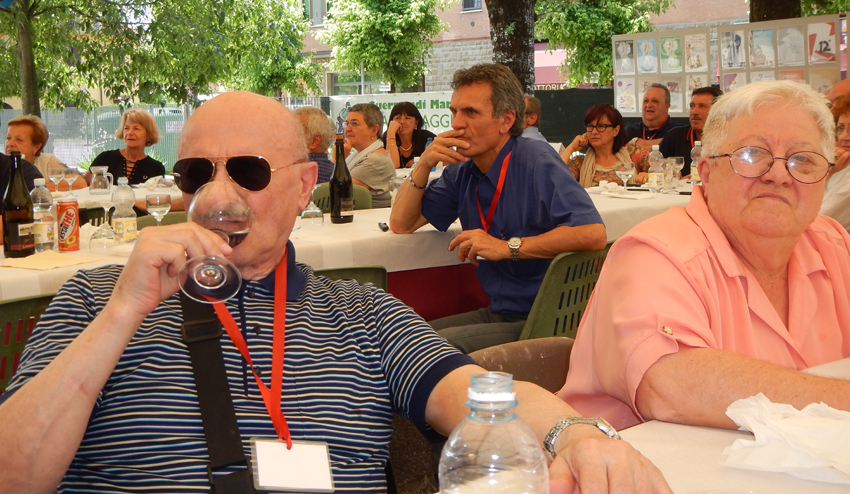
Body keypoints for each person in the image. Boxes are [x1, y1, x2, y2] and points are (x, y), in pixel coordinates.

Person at [0, 91, 672, 494]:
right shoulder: (95, 300)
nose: (219, 193)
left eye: (248, 172)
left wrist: (576, 434)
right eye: (197, 172)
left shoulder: (362, 313)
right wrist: (124, 312)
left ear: (303, 188)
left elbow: (476, 393)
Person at [559, 80, 850, 431]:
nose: (778, 175)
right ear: (707, 172)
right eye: (751, 154)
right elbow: (672, 385)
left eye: (802, 159)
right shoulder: (655, 253)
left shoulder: (833, 244)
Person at [390, 63, 607, 353]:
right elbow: (401, 223)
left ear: (506, 121)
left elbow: (593, 233)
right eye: (454, 111)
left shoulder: (535, 159)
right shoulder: (462, 169)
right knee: (400, 336)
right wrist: (424, 163)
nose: (457, 123)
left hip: (546, 319)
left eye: (470, 112)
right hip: (499, 312)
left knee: (422, 350)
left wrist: (507, 247)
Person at [561, 103, 648, 187]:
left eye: (601, 126)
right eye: (590, 126)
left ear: (616, 130)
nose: (594, 132)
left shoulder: (634, 154)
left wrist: (648, 176)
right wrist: (571, 147)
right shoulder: (580, 162)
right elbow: (556, 178)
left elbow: (656, 172)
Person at [86, 108, 165, 186]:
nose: (129, 133)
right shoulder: (105, 158)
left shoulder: (156, 168)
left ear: (148, 135)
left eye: (136, 128)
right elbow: (84, 183)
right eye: (126, 128)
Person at [5, 115, 86, 190]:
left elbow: (79, 182)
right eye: (8, 138)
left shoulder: (46, 162)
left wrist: (37, 189)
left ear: (36, 147)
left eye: (19, 139)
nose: (10, 144)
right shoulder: (2, 164)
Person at [658, 85, 722, 177]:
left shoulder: (727, 138)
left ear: (717, 111)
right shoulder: (675, 136)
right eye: (692, 106)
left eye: (702, 106)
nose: (694, 111)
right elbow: (657, 167)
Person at [343, 102, 395, 208]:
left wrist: (337, 158)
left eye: (354, 123)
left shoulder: (375, 160)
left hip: (373, 218)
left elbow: (334, 192)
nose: (347, 129)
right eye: (347, 123)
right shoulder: (362, 153)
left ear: (374, 130)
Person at [820, 94, 850, 231]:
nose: (843, 136)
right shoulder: (841, 161)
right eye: (840, 128)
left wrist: (826, 173)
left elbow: (816, 217)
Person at [625, 84, 680, 150]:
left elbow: (673, 142)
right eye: (646, 101)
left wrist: (635, 141)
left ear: (666, 107)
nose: (649, 105)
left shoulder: (678, 131)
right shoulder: (630, 130)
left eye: (655, 101)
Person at [383, 101, 436, 168]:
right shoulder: (385, 139)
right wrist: (391, 133)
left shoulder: (426, 137)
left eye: (407, 118)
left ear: (416, 123)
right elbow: (391, 166)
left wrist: (422, 161)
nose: (402, 122)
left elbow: (445, 159)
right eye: (398, 118)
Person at [294, 105, 334, 184]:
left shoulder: (297, 172)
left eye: (295, 131)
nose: (286, 136)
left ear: (314, 141)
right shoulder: (334, 171)